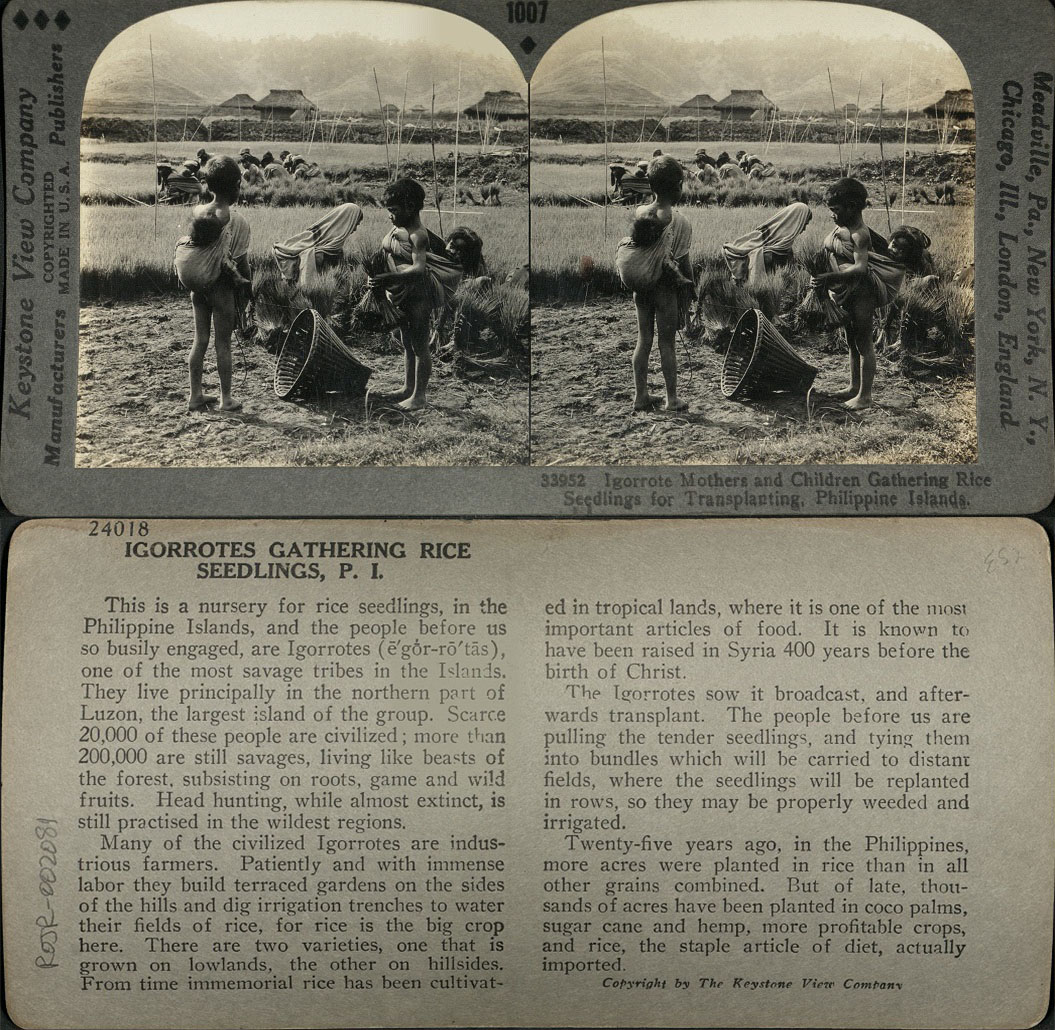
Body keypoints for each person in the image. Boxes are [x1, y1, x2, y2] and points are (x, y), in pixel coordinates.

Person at [365, 178, 462, 411]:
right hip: (400, 293)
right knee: (407, 342)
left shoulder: (418, 235)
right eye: (389, 210)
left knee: (419, 345)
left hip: (417, 295)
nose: (390, 215)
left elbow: (418, 269)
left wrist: (391, 278)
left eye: (394, 210)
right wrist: (376, 277)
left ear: (410, 207)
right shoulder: (397, 228)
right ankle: (408, 388)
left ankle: (419, 396)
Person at [810, 177, 904, 410]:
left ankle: (865, 396)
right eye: (831, 210)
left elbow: (861, 268)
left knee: (864, 342)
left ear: (852, 207)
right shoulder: (842, 227)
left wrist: (830, 277)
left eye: (836, 210)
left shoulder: (859, 234)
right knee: (852, 341)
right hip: (847, 291)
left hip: (862, 292)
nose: (832, 214)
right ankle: (853, 387)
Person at [183, 156, 251, 413]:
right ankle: (226, 399)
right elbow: (242, 262)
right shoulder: (237, 220)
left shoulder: (198, 212)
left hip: (198, 287)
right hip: (222, 288)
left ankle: (195, 396)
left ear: (209, 185)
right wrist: (247, 287)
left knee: (199, 340)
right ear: (236, 185)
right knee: (223, 344)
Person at [627, 155, 693, 413]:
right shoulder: (681, 221)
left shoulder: (641, 212)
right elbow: (684, 260)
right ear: (678, 187)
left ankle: (640, 396)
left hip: (641, 286)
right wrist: (691, 286)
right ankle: (672, 399)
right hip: (665, 289)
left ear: (651, 187)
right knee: (667, 344)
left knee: (643, 339)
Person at [721, 201, 812, 286]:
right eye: (804, 224)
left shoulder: (784, 244)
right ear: (795, 221)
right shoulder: (768, 246)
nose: (804, 229)